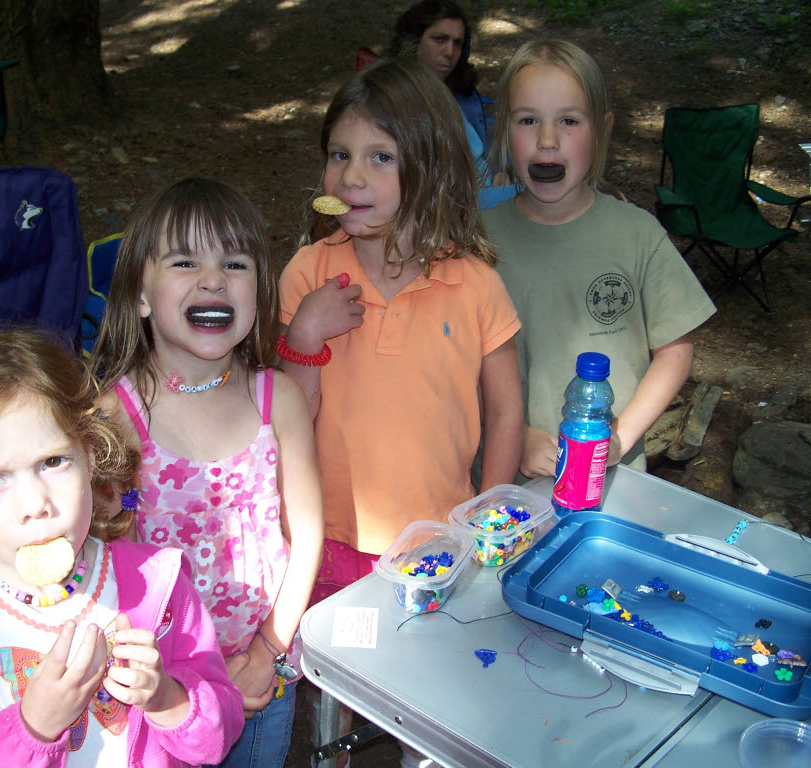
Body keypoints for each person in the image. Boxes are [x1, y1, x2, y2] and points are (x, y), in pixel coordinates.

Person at [279, 56, 521, 768]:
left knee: (423, 689)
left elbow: (505, 413)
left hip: (435, 545)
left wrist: (488, 523)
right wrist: (302, 338)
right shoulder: (307, 272)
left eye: (380, 157)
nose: (351, 176)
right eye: (340, 155)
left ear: (432, 167)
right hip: (331, 537)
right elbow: (286, 417)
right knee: (336, 683)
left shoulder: (474, 283)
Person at [0, 327, 243, 768]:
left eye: (52, 462)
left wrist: (166, 698)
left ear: (89, 455)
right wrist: (34, 729)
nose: (35, 505)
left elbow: (220, 733)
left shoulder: (155, 584)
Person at [89, 178, 324, 768]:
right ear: (140, 295)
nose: (214, 278)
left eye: (235, 263)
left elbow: (307, 538)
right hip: (161, 683)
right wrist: (153, 676)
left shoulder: (280, 401)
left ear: (258, 292)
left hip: (260, 669)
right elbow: (98, 557)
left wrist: (268, 651)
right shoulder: (116, 416)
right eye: (184, 260)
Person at [481, 39, 716, 479]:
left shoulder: (637, 234)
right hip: (501, 486)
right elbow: (448, 363)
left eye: (569, 121)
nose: (547, 141)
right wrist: (515, 436)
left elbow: (675, 352)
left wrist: (621, 438)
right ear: (502, 130)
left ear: (602, 129)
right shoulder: (476, 240)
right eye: (528, 120)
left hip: (610, 486)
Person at [387, 0, 517, 209]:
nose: (449, 52)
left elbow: (484, 144)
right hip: (452, 208)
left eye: (457, 43)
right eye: (440, 39)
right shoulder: (392, 100)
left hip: (488, 188)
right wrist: (455, 183)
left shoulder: (455, 93)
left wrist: (502, 171)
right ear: (413, 42)